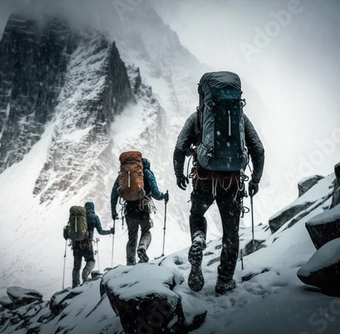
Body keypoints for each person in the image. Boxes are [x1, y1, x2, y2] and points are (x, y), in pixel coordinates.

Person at [173, 97, 265, 294]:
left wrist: (179, 174)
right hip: (231, 183)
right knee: (230, 233)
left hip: (203, 179)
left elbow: (180, 147)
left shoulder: (197, 118)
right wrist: (255, 180)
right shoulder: (240, 117)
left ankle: (198, 239)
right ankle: (224, 280)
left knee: (197, 215)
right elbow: (258, 149)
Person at [111, 157, 169, 265]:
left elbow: (114, 193)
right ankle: (142, 246)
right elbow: (155, 193)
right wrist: (163, 196)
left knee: (132, 237)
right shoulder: (146, 173)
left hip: (129, 210)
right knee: (146, 231)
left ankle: (130, 262)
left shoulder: (124, 174)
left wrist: (113, 211)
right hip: (143, 209)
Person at [64, 202, 114, 288]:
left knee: (76, 266)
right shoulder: (94, 217)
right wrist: (110, 231)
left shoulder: (79, 218)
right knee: (91, 260)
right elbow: (100, 232)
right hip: (87, 244)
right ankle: (85, 275)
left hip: (76, 244)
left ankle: (75, 284)